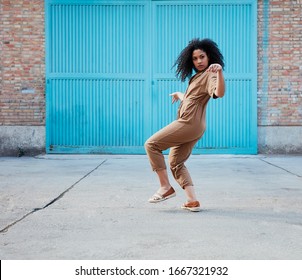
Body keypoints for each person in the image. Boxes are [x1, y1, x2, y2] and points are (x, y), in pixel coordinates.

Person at [144, 38, 225, 212]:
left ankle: (165, 187)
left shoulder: (211, 74)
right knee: (176, 162)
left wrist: (219, 73)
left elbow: (219, 93)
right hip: (195, 125)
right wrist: (180, 95)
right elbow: (193, 99)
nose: (199, 61)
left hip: (189, 123)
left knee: (151, 144)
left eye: (202, 57)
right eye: (195, 59)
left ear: (209, 56)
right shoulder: (196, 77)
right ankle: (192, 200)